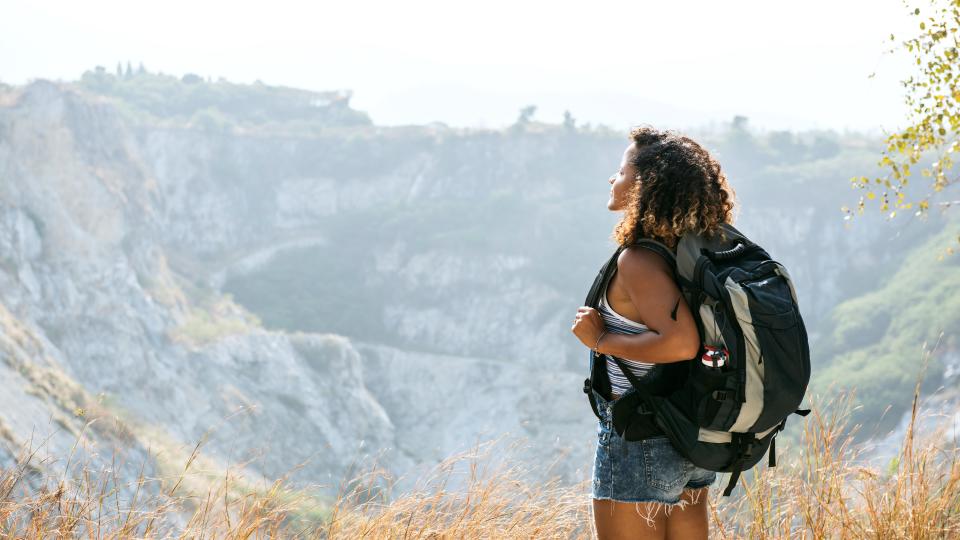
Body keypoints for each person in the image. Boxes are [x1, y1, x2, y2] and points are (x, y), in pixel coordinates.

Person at [571, 125, 738, 540]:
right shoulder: (693, 249)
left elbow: (681, 342)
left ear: (645, 185)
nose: (613, 178)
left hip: (642, 430)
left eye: (622, 170)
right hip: (690, 428)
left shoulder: (639, 260)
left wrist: (601, 341)